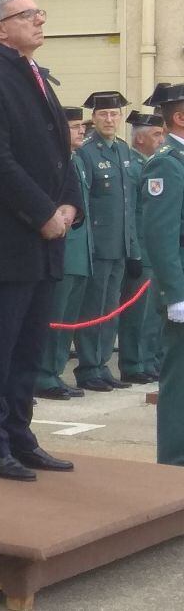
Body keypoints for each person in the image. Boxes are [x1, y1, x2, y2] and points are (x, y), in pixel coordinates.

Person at [0, 0, 81, 482]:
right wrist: (42, 213)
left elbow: (61, 151)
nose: (39, 20)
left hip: (47, 238)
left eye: (40, 13)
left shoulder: (38, 78)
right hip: (9, 239)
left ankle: (20, 434)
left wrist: (70, 203)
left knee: (30, 347)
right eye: (27, 14)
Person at [74, 91, 141, 391]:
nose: (110, 119)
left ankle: (101, 364)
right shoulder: (87, 152)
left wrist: (134, 248)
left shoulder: (123, 151)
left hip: (120, 245)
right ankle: (88, 367)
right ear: (94, 118)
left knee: (111, 308)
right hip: (99, 245)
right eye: (104, 115)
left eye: (114, 114)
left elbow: (129, 205)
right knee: (94, 308)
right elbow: (84, 203)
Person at [140, 84, 184, 465]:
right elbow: (161, 235)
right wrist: (176, 294)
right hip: (183, 288)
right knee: (180, 381)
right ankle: (174, 463)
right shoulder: (167, 162)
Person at [35, 106, 92, 400]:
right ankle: (43, 373)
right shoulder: (51, 160)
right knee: (54, 315)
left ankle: (54, 370)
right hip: (59, 248)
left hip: (81, 250)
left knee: (67, 317)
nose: (81, 130)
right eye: (74, 126)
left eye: (82, 126)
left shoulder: (77, 160)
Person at [117, 110, 165, 384]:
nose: (161, 139)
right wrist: (135, 250)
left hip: (153, 248)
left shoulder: (152, 163)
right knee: (138, 314)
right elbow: (132, 214)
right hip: (141, 249)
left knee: (153, 314)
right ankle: (135, 362)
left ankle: (149, 359)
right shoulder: (134, 166)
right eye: (156, 134)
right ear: (139, 140)